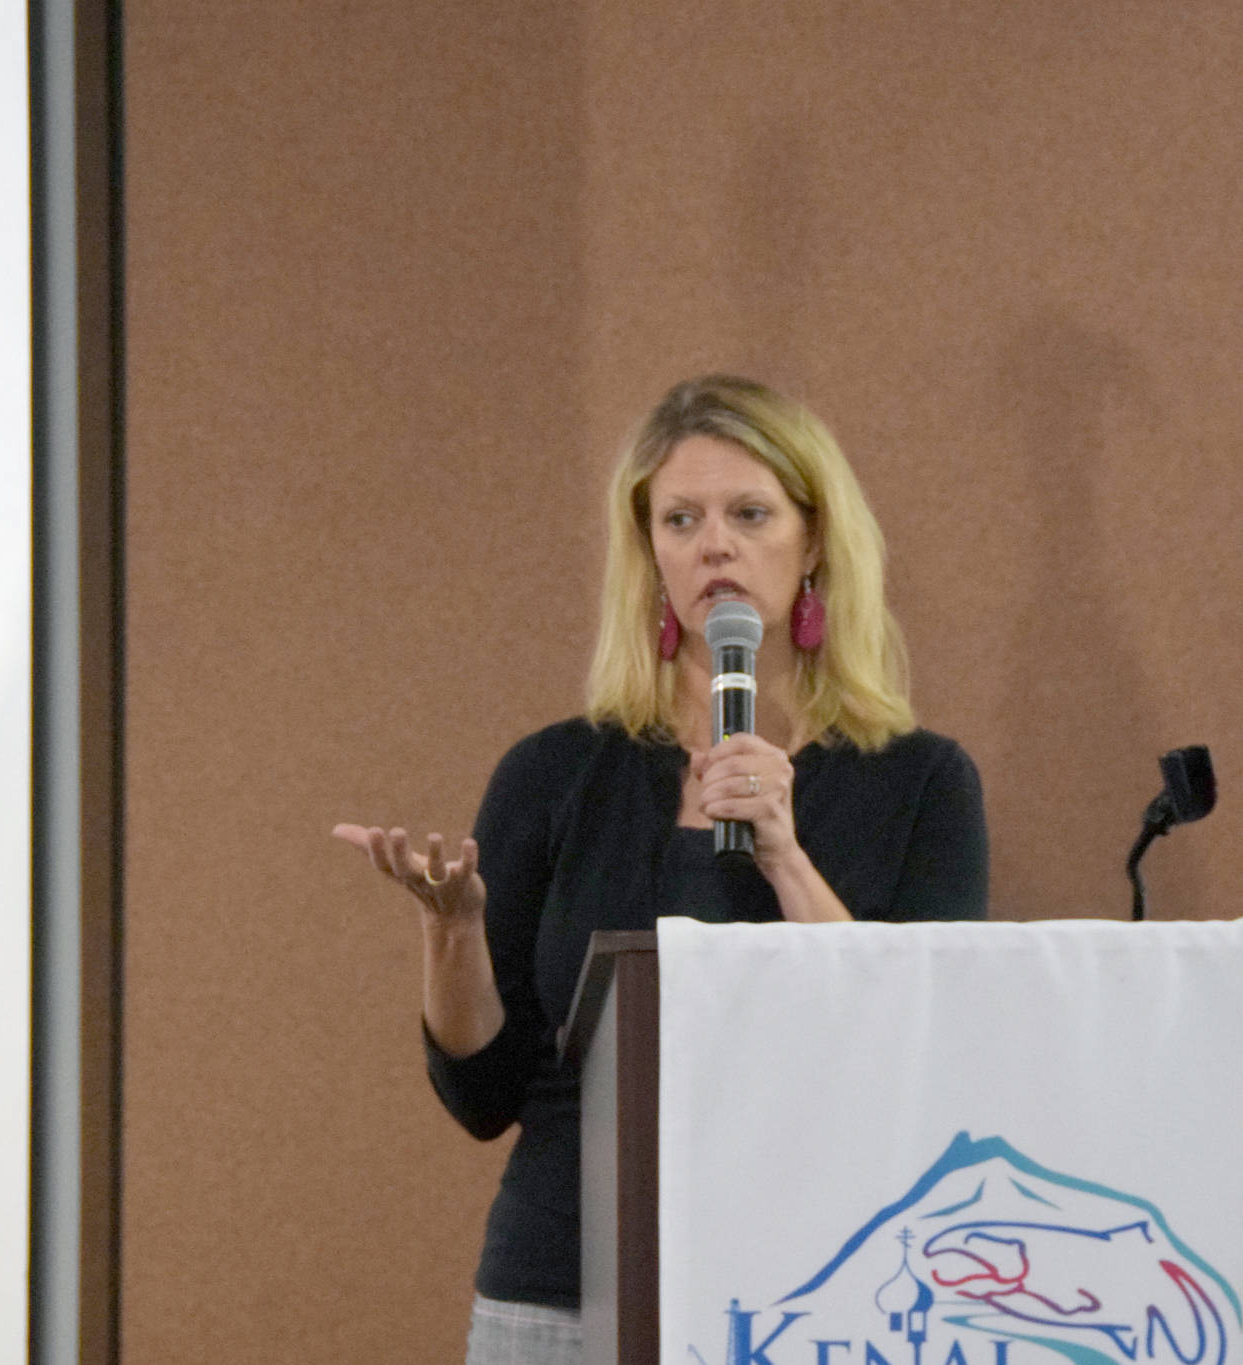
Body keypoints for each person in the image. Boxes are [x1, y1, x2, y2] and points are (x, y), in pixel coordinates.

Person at [334, 375, 990, 1365]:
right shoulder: (556, 772)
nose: (712, 544)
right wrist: (451, 930)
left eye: (749, 513)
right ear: (649, 554)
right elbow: (483, 1097)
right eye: (679, 519)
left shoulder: (919, 781)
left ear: (814, 541)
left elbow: (908, 1050)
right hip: (563, 1291)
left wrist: (784, 854)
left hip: (810, 1293)